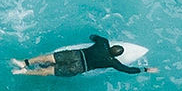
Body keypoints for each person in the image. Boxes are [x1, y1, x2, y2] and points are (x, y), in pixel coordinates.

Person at [10, 34, 157, 77]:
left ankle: (25, 62)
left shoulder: (103, 43)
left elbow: (93, 36)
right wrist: (145, 69)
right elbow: (127, 70)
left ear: (112, 46)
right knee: (48, 71)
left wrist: (93, 40)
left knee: (47, 58)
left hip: (76, 54)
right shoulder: (112, 62)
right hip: (80, 67)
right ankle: (24, 72)